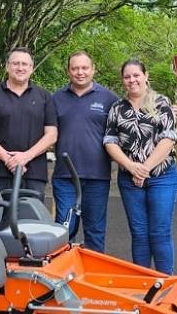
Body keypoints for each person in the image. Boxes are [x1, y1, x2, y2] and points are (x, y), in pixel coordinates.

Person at [103, 59, 177, 274]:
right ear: (123, 81)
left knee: (159, 232)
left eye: (136, 75)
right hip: (129, 179)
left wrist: (144, 169)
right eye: (127, 77)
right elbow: (110, 141)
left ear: (146, 76)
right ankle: (143, 284)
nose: (132, 80)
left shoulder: (162, 103)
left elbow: (168, 138)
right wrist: (131, 167)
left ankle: (165, 284)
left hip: (162, 177)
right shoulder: (117, 108)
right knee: (139, 233)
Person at [51, 51, 118, 253]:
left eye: (84, 68)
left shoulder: (109, 99)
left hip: (97, 177)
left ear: (93, 69)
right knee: (64, 228)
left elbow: (132, 118)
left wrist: (166, 109)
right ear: (68, 71)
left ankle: (92, 276)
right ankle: (58, 278)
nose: (80, 72)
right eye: (75, 68)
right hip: (65, 177)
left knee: (95, 231)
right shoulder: (56, 99)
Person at [0, 47, 58, 200]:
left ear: (31, 68)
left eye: (25, 64)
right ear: (7, 66)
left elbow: (52, 135)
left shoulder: (45, 97)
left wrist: (26, 157)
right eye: (16, 63)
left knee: (32, 221)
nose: (20, 68)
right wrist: (9, 160)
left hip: (34, 174)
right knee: (0, 221)